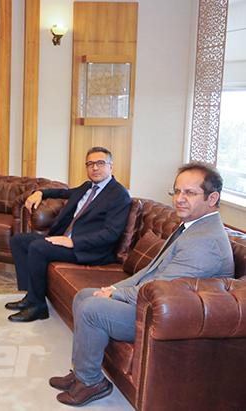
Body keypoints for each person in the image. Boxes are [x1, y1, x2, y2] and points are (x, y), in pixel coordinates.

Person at [51, 163, 234, 406]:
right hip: (155, 301)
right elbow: (150, 271)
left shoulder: (206, 241)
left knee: (92, 309)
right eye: (177, 191)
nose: (179, 199)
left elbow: (163, 286)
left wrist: (115, 296)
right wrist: (114, 289)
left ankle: (91, 382)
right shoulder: (190, 226)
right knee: (84, 296)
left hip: (169, 317)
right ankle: (82, 372)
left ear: (212, 198)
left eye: (189, 193)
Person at [7, 147, 132, 322]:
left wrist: (73, 242)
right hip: (66, 239)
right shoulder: (88, 186)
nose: (95, 168)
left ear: (111, 166)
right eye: (90, 164)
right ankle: (31, 296)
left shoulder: (119, 194)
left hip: (89, 249)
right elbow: (62, 192)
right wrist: (40, 192)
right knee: (18, 240)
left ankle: (38, 307)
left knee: (38, 247)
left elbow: (111, 234)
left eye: (100, 163)